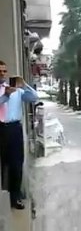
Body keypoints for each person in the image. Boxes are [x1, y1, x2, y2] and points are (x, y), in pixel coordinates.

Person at [0, 60, 38, 209]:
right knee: (3, 164)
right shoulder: (6, 91)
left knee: (16, 163)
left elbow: (34, 97)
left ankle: (15, 196)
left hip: (15, 129)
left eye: (4, 71)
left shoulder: (16, 89)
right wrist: (6, 96)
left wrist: (24, 84)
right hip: (1, 129)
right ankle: (3, 195)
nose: (2, 74)